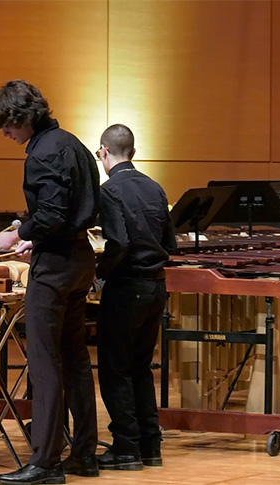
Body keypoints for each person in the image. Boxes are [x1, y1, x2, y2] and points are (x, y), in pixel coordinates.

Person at [0, 80, 100, 485]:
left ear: (21, 117)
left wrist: (21, 233)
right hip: (79, 259)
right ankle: (85, 452)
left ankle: (46, 461)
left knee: (45, 363)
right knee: (74, 359)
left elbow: (50, 214)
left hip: (55, 268)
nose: (6, 134)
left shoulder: (42, 153)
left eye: (6, 125)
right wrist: (39, 237)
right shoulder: (74, 144)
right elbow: (74, 210)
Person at [94, 124, 176, 470]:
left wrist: (99, 272)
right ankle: (150, 446)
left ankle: (126, 448)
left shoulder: (109, 191)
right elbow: (170, 244)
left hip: (126, 287)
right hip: (156, 287)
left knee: (115, 370)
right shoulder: (155, 189)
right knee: (141, 368)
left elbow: (120, 243)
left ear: (103, 152)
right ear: (134, 152)